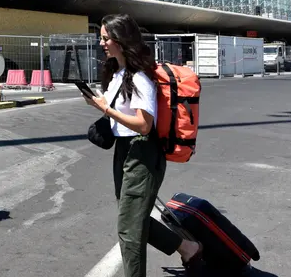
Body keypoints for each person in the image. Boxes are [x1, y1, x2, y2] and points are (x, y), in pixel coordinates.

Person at [83, 14, 203, 277]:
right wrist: (99, 103)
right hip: (124, 151)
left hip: (142, 153)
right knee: (132, 219)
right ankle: (188, 248)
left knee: (129, 228)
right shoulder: (118, 73)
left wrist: (106, 109)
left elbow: (144, 125)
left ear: (121, 40)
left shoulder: (140, 78)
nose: (101, 43)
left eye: (105, 38)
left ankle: (185, 251)